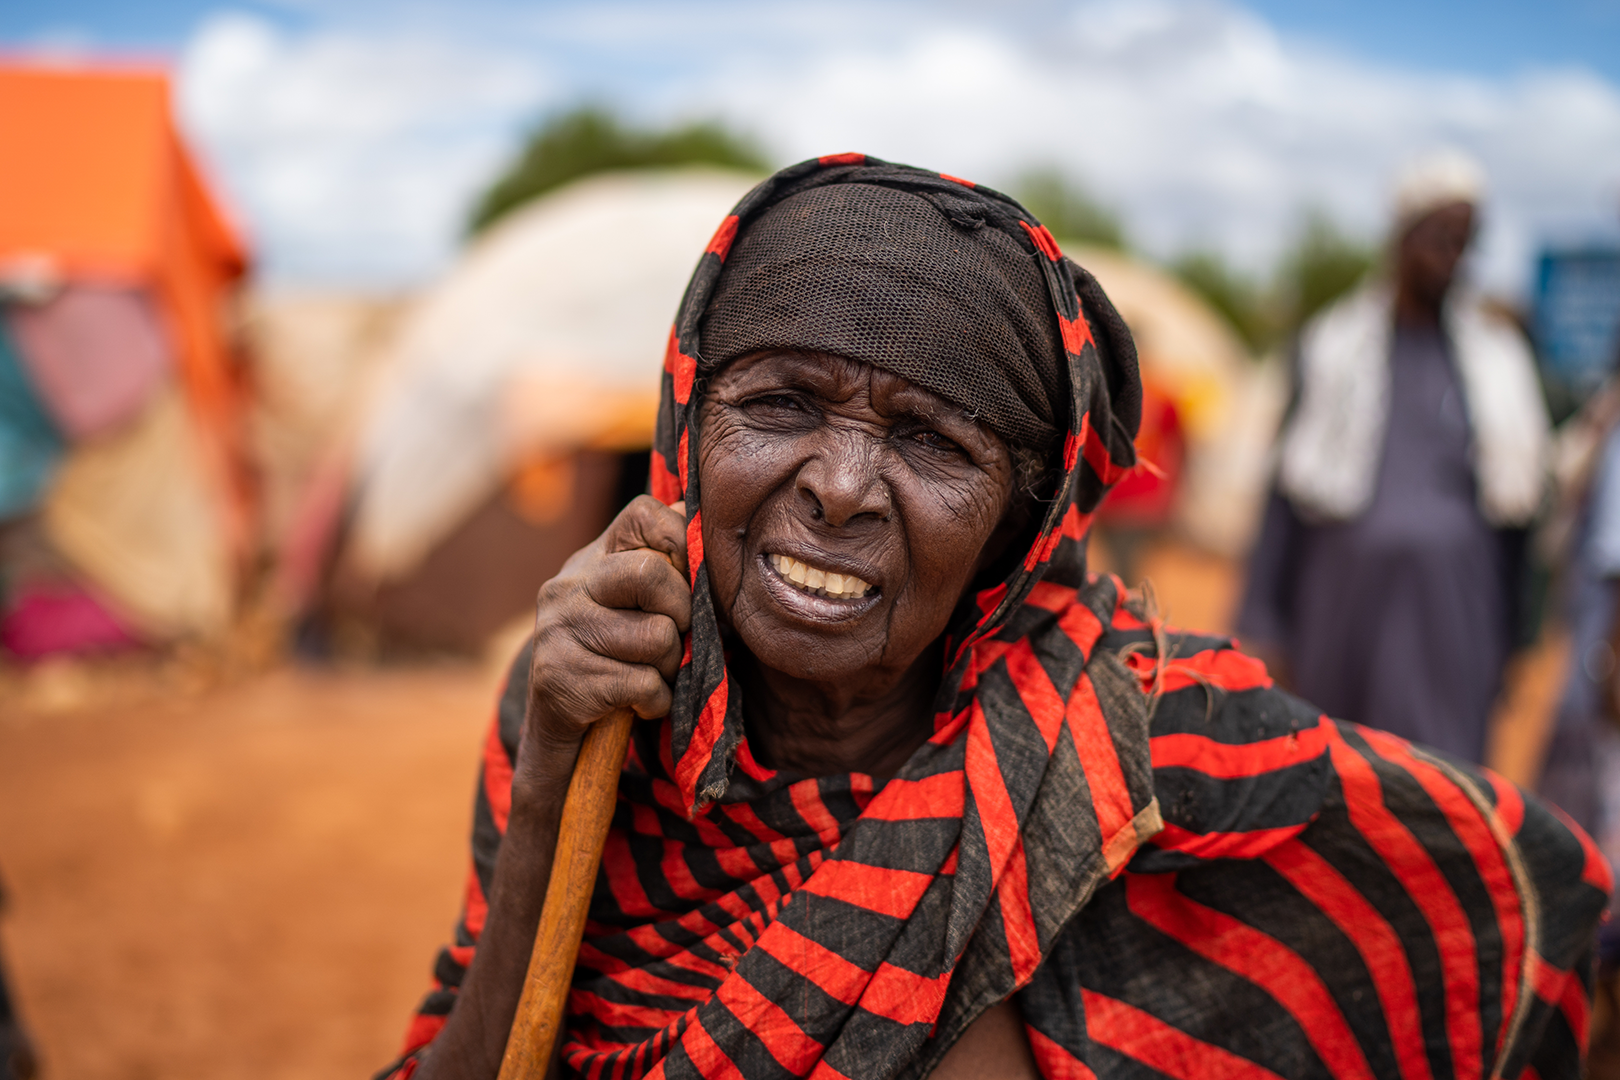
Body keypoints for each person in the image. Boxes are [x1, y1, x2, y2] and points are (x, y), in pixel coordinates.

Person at [380, 156, 1603, 1080]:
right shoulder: (592, 696)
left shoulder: (1133, 753)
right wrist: (548, 785)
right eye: (782, 401)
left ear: (1017, 527)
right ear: (688, 427)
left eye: (930, 441)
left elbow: (1535, 898)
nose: (842, 485)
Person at [1236, 149, 1550, 764]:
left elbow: (1522, 505)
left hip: (1456, 623)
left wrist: (1517, 636)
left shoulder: (1499, 363)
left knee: (1440, 791)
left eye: (1464, 244)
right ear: (1402, 237)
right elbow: (1286, 490)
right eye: (1439, 239)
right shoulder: (1332, 346)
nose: (1451, 258)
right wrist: (1265, 619)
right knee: (1333, 782)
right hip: (1341, 611)